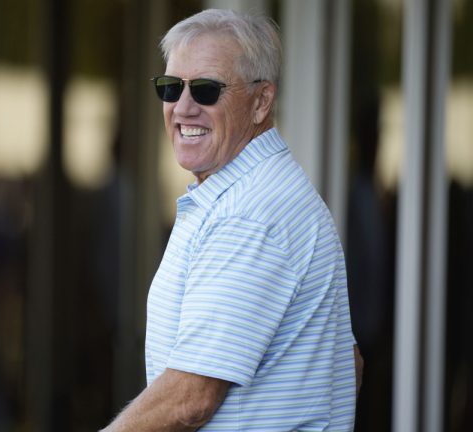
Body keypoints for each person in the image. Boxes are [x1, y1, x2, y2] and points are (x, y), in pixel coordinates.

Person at [101, 9, 362, 431]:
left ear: (262, 102)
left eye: (205, 90)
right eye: (170, 88)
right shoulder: (251, 193)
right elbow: (348, 364)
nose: (182, 108)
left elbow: (190, 399)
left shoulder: (249, 214)